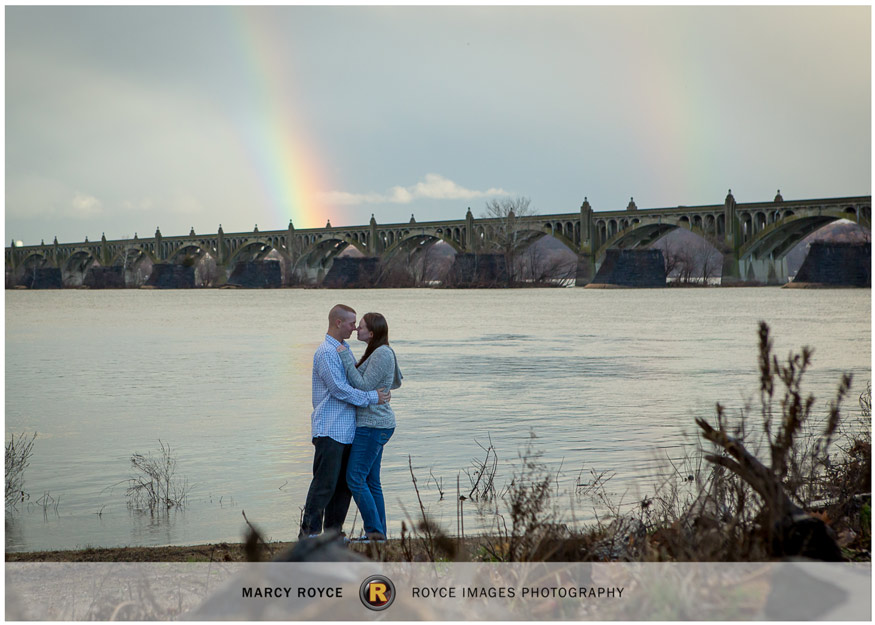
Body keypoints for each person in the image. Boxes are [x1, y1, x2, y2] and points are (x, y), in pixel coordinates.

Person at [299, 304, 390, 539]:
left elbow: (357, 380)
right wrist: (373, 397)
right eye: (352, 323)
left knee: (344, 487)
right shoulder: (327, 353)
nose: (354, 327)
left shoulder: (345, 349)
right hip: (329, 429)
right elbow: (340, 389)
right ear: (338, 323)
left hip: (348, 431)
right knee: (324, 484)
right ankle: (309, 534)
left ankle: (333, 533)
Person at [336, 312, 402, 541]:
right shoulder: (376, 351)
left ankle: (374, 531)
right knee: (371, 481)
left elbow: (363, 385)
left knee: (354, 477)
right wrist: (382, 388)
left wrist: (345, 359)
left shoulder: (382, 353)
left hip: (374, 425)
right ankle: (379, 533)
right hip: (374, 423)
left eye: (361, 326)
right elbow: (393, 381)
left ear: (371, 333)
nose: (356, 329)